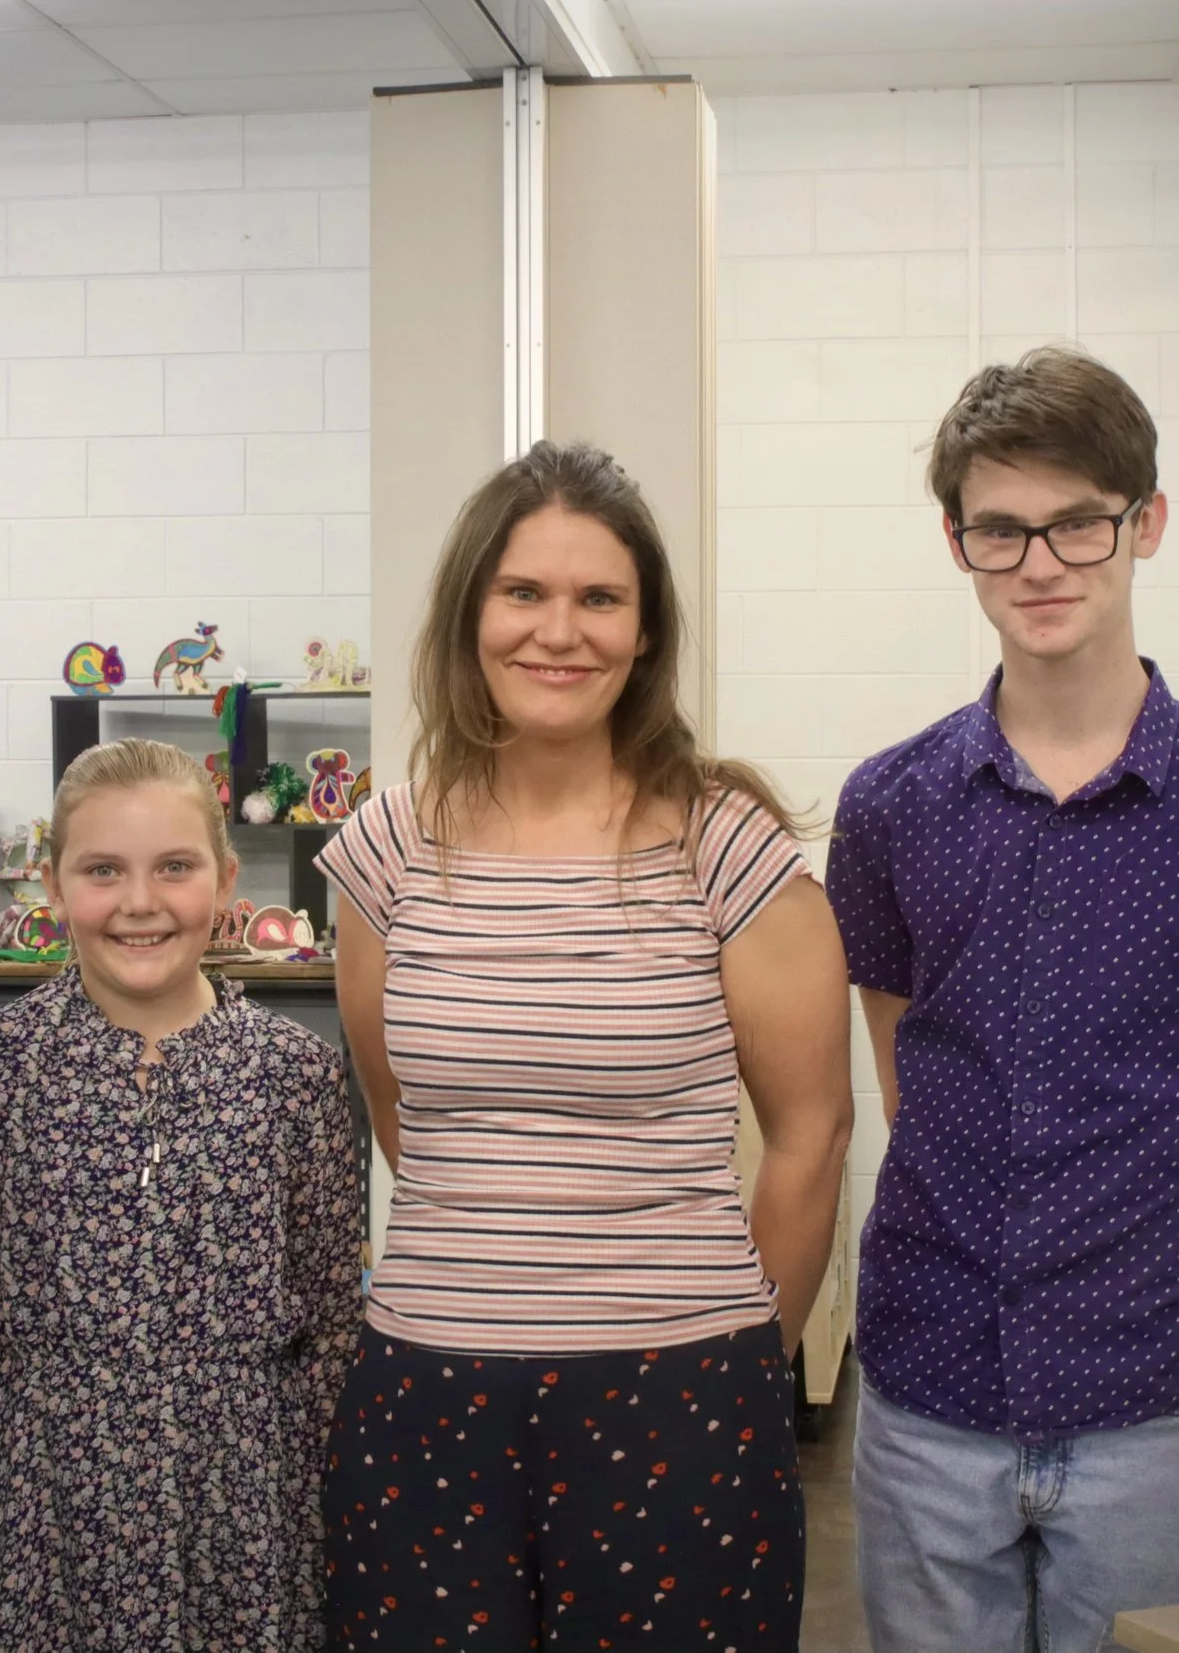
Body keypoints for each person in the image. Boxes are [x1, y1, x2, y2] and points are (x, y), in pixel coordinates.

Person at [828, 347, 1179, 1653]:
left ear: (1146, 523)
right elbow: (909, 1076)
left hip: (1150, 1395)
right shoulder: (889, 805)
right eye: (1000, 528)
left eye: (1078, 520)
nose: (1041, 560)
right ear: (957, 541)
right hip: (929, 1380)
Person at [318, 441, 854, 1648]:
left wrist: (734, 1358)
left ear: (646, 633)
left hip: (677, 1391)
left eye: (599, 598)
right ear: (470, 615)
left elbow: (812, 1136)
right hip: (429, 1392)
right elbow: (397, 1106)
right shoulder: (385, 851)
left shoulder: (728, 850)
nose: (558, 631)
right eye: (524, 592)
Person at [0, 738, 364, 1653]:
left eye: (175, 867)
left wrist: (328, 1535)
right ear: (53, 883)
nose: (140, 902)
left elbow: (331, 1333)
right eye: (103, 870)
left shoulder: (295, 1075)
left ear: (225, 881)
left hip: (244, 1524)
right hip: (28, 1520)